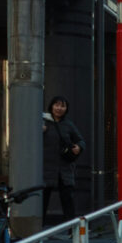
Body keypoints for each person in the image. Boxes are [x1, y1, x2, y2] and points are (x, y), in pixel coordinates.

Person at [42, 95, 85, 224]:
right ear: (51, 106)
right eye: (57, 105)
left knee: (68, 200)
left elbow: (81, 140)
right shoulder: (43, 121)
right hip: (45, 169)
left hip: (64, 169)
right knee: (42, 200)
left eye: (63, 106)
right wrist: (40, 131)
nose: (59, 108)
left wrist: (79, 147)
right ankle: (39, 228)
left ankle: (71, 229)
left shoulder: (68, 124)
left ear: (66, 109)